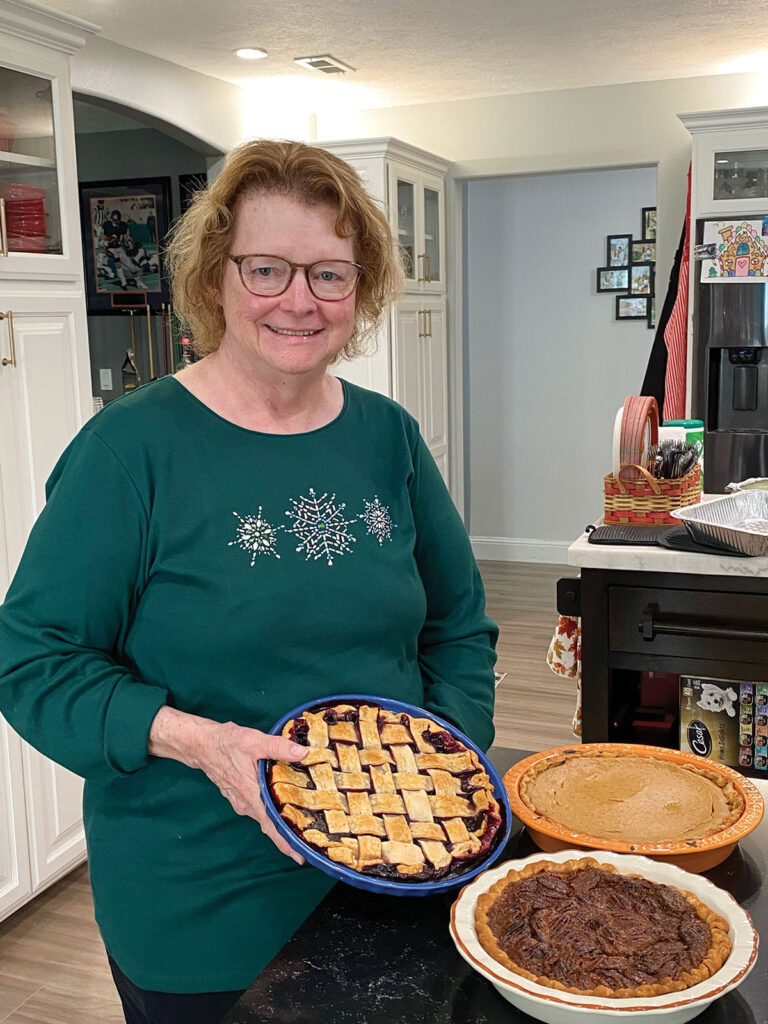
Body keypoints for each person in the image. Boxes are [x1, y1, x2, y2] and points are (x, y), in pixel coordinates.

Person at [0, 140, 498, 1024]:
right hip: (202, 907)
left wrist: (440, 764)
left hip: (399, 881)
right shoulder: (131, 450)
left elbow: (457, 623)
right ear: (216, 274)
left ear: (363, 288)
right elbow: (33, 660)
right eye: (267, 269)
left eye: (330, 275)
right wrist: (200, 742)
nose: (299, 300)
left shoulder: (389, 437)